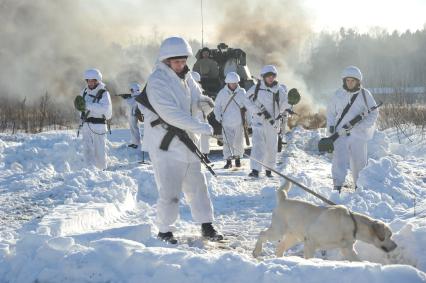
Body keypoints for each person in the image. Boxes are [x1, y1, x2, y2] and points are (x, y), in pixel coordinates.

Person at [143, 36, 223, 244]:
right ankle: (164, 230)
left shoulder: (187, 78)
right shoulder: (157, 81)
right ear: (166, 60)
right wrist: (200, 126)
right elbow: (170, 114)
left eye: (183, 60)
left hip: (188, 142)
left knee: (198, 186)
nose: (181, 65)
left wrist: (205, 103)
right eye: (177, 61)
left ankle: (207, 225)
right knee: (170, 190)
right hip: (166, 145)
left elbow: (197, 98)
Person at [326, 66, 378, 192]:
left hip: (358, 135)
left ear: (358, 81)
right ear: (344, 81)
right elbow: (331, 113)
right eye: (347, 80)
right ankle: (337, 186)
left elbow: (374, 113)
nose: (350, 83)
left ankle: (359, 186)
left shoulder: (365, 95)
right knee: (338, 161)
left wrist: (360, 126)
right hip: (340, 134)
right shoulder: (338, 94)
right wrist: (331, 129)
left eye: (352, 81)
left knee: (359, 162)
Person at [246, 65, 289, 178]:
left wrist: (291, 103)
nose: (270, 78)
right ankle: (255, 169)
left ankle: (269, 169)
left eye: (272, 76)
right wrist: (256, 111)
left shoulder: (279, 90)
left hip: (273, 123)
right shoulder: (256, 88)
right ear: (263, 77)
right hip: (259, 122)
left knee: (271, 147)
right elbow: (246, 100)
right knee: (258, 146)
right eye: (268, 76)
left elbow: (284, 104)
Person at [214, 72, 256, 169]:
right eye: (232, 83)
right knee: (227, 142)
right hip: (226, 122)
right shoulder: (222, 93)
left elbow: (247, 107)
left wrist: (249, 121)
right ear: (227, 83)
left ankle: (238, 159)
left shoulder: (242, 92)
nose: (234, 84)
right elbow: (217, 107)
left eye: (235, 83)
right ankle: (228, 160)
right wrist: (218, 116)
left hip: (238, 122)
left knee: (238, 142)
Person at [74, 68, 112, 170]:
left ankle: (101, 170)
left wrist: (88, 105)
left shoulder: (103, 93)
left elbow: (105, 109)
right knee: (87, 149)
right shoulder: (84, 92)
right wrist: (80, 110)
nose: (90, 83)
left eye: (92, 80)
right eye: (88, 80)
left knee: (99, 150)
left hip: (98, 125)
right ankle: (89, 170)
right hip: (86, 125)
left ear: (97, 80)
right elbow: (80, 108)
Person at [191, 71, 211, 163]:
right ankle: (197, 156)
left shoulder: (201, 94)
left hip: (202, 119)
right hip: (193, 119)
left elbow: (210, 106)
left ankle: (205, 156)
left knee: (204, 139)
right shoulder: (187, 94)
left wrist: (205, 111)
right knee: (194, 139)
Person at [125, 82, 143, 149]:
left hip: (134, 115)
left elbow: (131, 104)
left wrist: (126, 99)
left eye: (131, 89)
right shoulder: (134, 96)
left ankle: (137, 143)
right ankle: (134, 142)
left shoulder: (137, 96)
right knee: (133, 129)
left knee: (135, 129)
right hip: (132, 114)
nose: (131, 91)